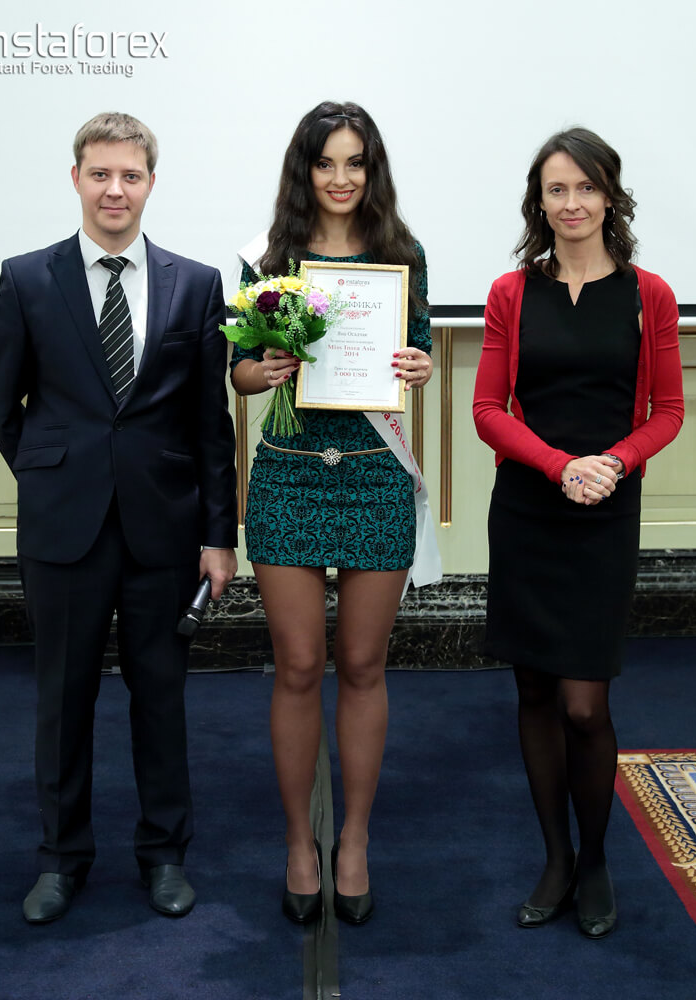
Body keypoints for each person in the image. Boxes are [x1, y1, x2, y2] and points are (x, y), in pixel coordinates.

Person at [0, 112, 238, 924]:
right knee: (63, 701)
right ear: (76, 179)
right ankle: (61, 859)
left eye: (129, 175)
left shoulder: (195, 284)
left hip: (165, 529)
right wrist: (51, 472)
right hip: (64, 529)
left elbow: (210, 425)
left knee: (161, 699)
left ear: (151, 183)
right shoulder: (28, 278)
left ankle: (163, 855)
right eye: (100, 174)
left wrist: (218, 535)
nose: (114, 189)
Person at [472, 127, 683, 939]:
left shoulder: (648, 295)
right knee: (532, 691)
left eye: (585, 187)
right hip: (528, 510)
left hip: (605, 511)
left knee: (585, 705)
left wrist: (613, 463)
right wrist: (559, 465)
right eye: (556, 189)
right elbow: (487, 410)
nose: (571, 203)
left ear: (609, 196)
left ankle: (594, 859)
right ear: (539, 201)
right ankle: (555, 858)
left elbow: (666, 411)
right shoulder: (509, 292)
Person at [231, 101, 436, 925]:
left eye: (355, 162)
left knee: (360, 666)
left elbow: (417, 350)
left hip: (374, 476)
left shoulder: (402, 255)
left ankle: (352, 839)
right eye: (326, 163)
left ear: (371, 169)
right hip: (288, 476)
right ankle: (297, 841)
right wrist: (265, 370)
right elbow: (241, 371)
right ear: (304, 170)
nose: (341, 178)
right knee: (295, 666)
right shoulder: (267, 258)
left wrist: (418, 367)